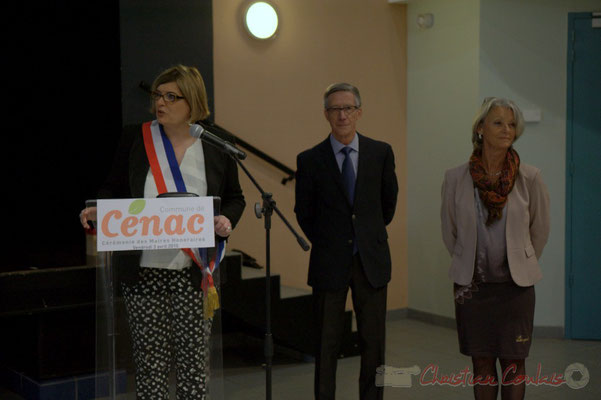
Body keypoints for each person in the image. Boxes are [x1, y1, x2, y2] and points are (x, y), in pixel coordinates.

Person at [79, 64, 245, 399]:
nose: (161, 102)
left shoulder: (216, 144)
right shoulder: (135, 137)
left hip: (195, 273)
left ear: (193, 102)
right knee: (150, 363)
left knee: (193, 364)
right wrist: (101, 208)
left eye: (171, 96)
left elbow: (235, 198)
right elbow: (113, 188)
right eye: (158, 95)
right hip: (144, 272)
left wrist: (227, 220)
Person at [441, 97, 550, 400]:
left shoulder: (530, 177)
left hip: (516, 289)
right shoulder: (455, 178)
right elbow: (450, 232)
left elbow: (539, 231)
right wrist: (468, 263)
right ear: (479, 128)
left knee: (514, 363)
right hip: (472, 290)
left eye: (512, 124)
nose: (507, 129)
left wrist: (521, 261)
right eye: (498, 122)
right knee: (482, 362)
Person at [294, 83, 398, 400]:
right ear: (326, 114)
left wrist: (365, 236)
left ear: (359, 112)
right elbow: (304, 212)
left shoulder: (380, 153)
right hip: (329, 262)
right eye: (336, 109)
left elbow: (388, 205)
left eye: (348, 108)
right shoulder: (310, 159)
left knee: (373, 343)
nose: (343, 115)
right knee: (326, 344)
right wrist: (331, 242)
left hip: (371, 261)